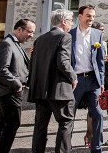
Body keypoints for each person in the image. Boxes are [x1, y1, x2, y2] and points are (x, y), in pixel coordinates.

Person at [28, 9, 77, 153]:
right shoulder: (65, 37)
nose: (71, 24)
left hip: (41, 89)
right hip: (59, 88)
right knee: (66, 123)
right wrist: (73, 77)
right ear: (64, 22)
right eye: (70, 21)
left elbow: (32, 64)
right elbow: (63, 62)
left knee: (40, 125)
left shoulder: (40, 39)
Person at [0, 18, 34, 153]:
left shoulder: (16, 44)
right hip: (9, 91)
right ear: (19, 29)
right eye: (29, 32)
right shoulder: (7, 44)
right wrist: (16, 84)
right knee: (13, 123)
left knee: (3, 124)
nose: (31, 35)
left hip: (12, 90)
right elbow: (2, 70)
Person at [69, 4, 106, 153]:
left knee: (97, 113)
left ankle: (96, 147)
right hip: (75, 80)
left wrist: (102, 82)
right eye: (88, 16)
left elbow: (100, 60)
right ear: (80, 16)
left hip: (92, 79)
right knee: (69, 114)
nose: (91, 19)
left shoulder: (97, 34)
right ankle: (67, 146)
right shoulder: (70, 34)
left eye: (93, 16)